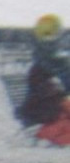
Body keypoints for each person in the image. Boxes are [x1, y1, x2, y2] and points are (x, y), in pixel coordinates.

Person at [19, 14, 70, 146]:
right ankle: (45, 134)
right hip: (45, 114)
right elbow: (49, 92)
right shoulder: (39, 69)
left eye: (54, 35)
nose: (52, 42)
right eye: (47, 35)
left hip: (55, 113)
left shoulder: (61, 64)